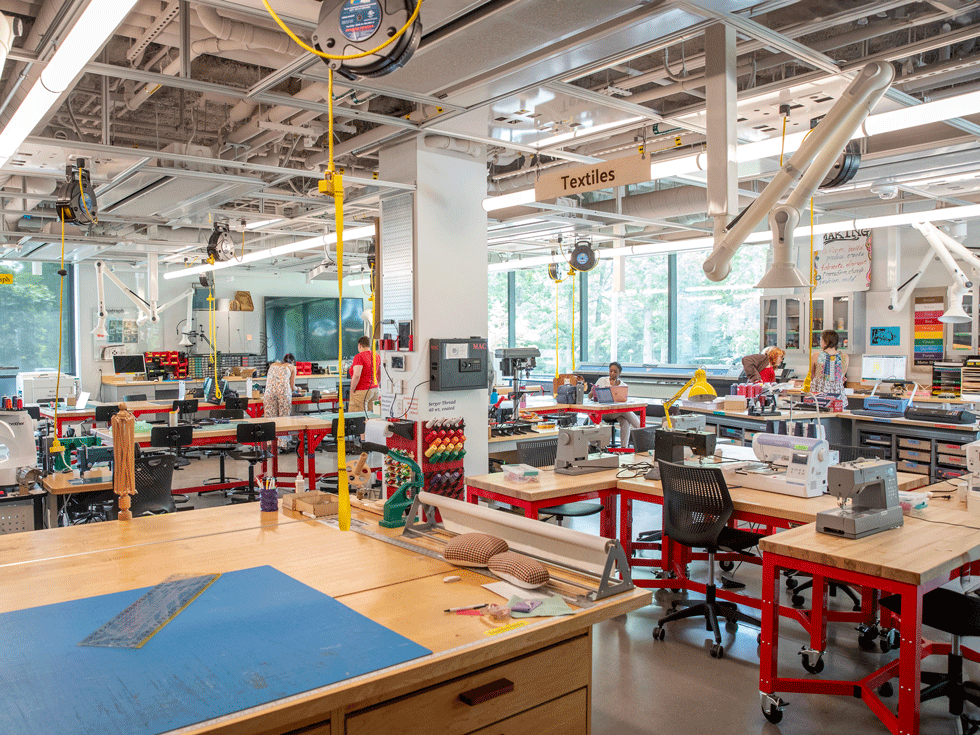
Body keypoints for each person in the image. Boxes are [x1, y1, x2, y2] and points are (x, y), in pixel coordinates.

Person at [590, 361, 641, 448]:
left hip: (616, 413)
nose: (612, 373)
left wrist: (614, 388)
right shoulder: (602, 380)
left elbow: (623, 400)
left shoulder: (623, 385)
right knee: (625, 411)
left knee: (625, 421)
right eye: (610, 371)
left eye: (615, 372)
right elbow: (589, 396)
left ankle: (623, 448)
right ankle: (642, 430)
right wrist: (593, 391)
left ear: (619, 373)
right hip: (604, 413)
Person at [809, 330, 848, 405]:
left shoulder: (816, 355)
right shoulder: (845, 357)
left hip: (820, 392)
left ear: (824, 341)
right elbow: (842, 377)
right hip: (838, 394)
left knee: (819, 414)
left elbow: (812, 375)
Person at [348, 336, 380, 413]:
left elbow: (356, 376)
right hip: (375, 390)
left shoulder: (359, 356)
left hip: (362, 391)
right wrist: (375, 384)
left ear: (359, 345)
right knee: (371, 417)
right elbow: (379, 373)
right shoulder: (377, 356)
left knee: (357, 417)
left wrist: (352, 391)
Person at [263, 353, 296, 418]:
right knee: (284, 419)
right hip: (284, 393)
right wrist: (298, 389)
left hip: (269, 393)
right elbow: (292, 387)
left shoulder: (272, 365)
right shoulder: (292, 367)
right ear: (293, 362)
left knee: (270, 419)